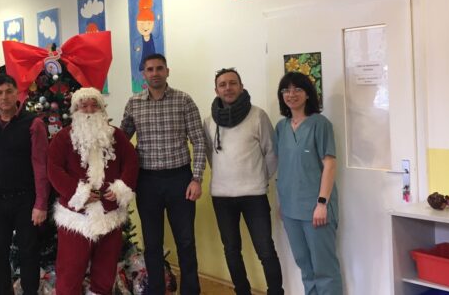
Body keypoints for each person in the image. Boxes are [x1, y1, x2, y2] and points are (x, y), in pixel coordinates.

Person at [120, 53, 208, 295]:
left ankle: (191, 291)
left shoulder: (184, 100)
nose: (155, 73)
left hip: (180, 180)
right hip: (147, 182)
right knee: (152, 243)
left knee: (186, 241)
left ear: (167, 71)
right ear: (143, 74)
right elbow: (121, 141)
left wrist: (196, 178)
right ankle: (156, 290)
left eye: (159, 68)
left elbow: (199, 141)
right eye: (150, 69)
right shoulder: (134, 103)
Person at [48, 88, 139, 294]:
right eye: (84, 105)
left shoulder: (116, 136)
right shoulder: (63, 138)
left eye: (94, 105)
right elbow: (54, 169)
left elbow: (131, 162)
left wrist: (121, 188)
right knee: (70, 270)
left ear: (102, 108)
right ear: (75, 110)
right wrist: (78, 192)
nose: (89, 110)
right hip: (76, 217)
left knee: (106, 270)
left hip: (110, 215)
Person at [203, 68, 283, 295]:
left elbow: (271, 153)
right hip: (222, 197)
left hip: (254, 196)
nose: (228, 88)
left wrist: (258, 178)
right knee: (231, 250)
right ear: (216, 90)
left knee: (265, 250)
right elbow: (210, 155)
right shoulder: (208, 122)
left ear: (241, 86)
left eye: (232, 83)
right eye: (222, 84)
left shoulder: (258, 116)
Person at [0, 74, 50, 295]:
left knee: (28, 252)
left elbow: (41, 166)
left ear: (17, 93)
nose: (4, 97)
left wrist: (41, 204)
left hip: (25, 200)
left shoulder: (34, 123)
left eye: (9, 91)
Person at [275, 72, 342, 294]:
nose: (291, 94)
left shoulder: (320, 124)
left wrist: (322, 203)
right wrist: (281, 203)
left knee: (324, 268)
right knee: (305, 265)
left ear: (308, 94)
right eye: (286, 90)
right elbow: (284, 166)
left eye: (297, 89)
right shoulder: (281, 127)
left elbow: (330, 165)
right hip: (290, 209)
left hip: (316, 209)